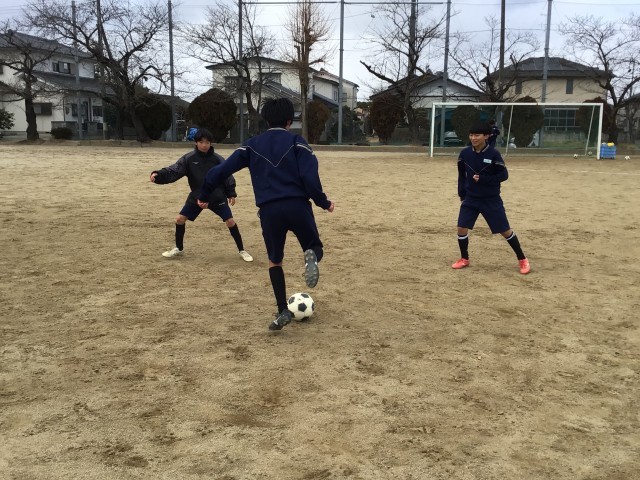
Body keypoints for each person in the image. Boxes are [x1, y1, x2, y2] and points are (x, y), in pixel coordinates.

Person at [196, 98, 335, 331]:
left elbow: (220, 171)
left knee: (275, 260)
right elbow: (310, 178)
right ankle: (310, 257)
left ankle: (282, 310)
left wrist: (204, 194)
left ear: (266, 120)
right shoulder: (297, 142)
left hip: (270, 211)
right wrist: (323, 202)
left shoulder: (251, 145)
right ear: (289, 121)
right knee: (314, 246)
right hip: (297, 205)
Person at [150, 128, 254, 262]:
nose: (204, 145)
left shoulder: (217, 159)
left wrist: (231, 193)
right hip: (197, 196)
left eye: (207, 142)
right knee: (180, 219)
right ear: (196, 143)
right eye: (201, 142)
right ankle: (178, 249)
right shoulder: (189, 158)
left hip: (216, 196)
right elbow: (174, 170)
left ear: (211, 143)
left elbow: (227, 175)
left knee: (230, 222)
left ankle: (242, 250)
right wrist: (158, 175)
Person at [452, 122, 530, 274]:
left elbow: (504, 175)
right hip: (471, 199)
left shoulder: (494, 154)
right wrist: (462, 194)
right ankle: (464, 258)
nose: (473, 138)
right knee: (461, 228)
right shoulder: (465, 154)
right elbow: (461, 175)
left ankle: (522, 259)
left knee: (505, 231)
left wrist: (484, 179)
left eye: (477, 135)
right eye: (471, 135)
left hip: (491, 199)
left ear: (486, 136)